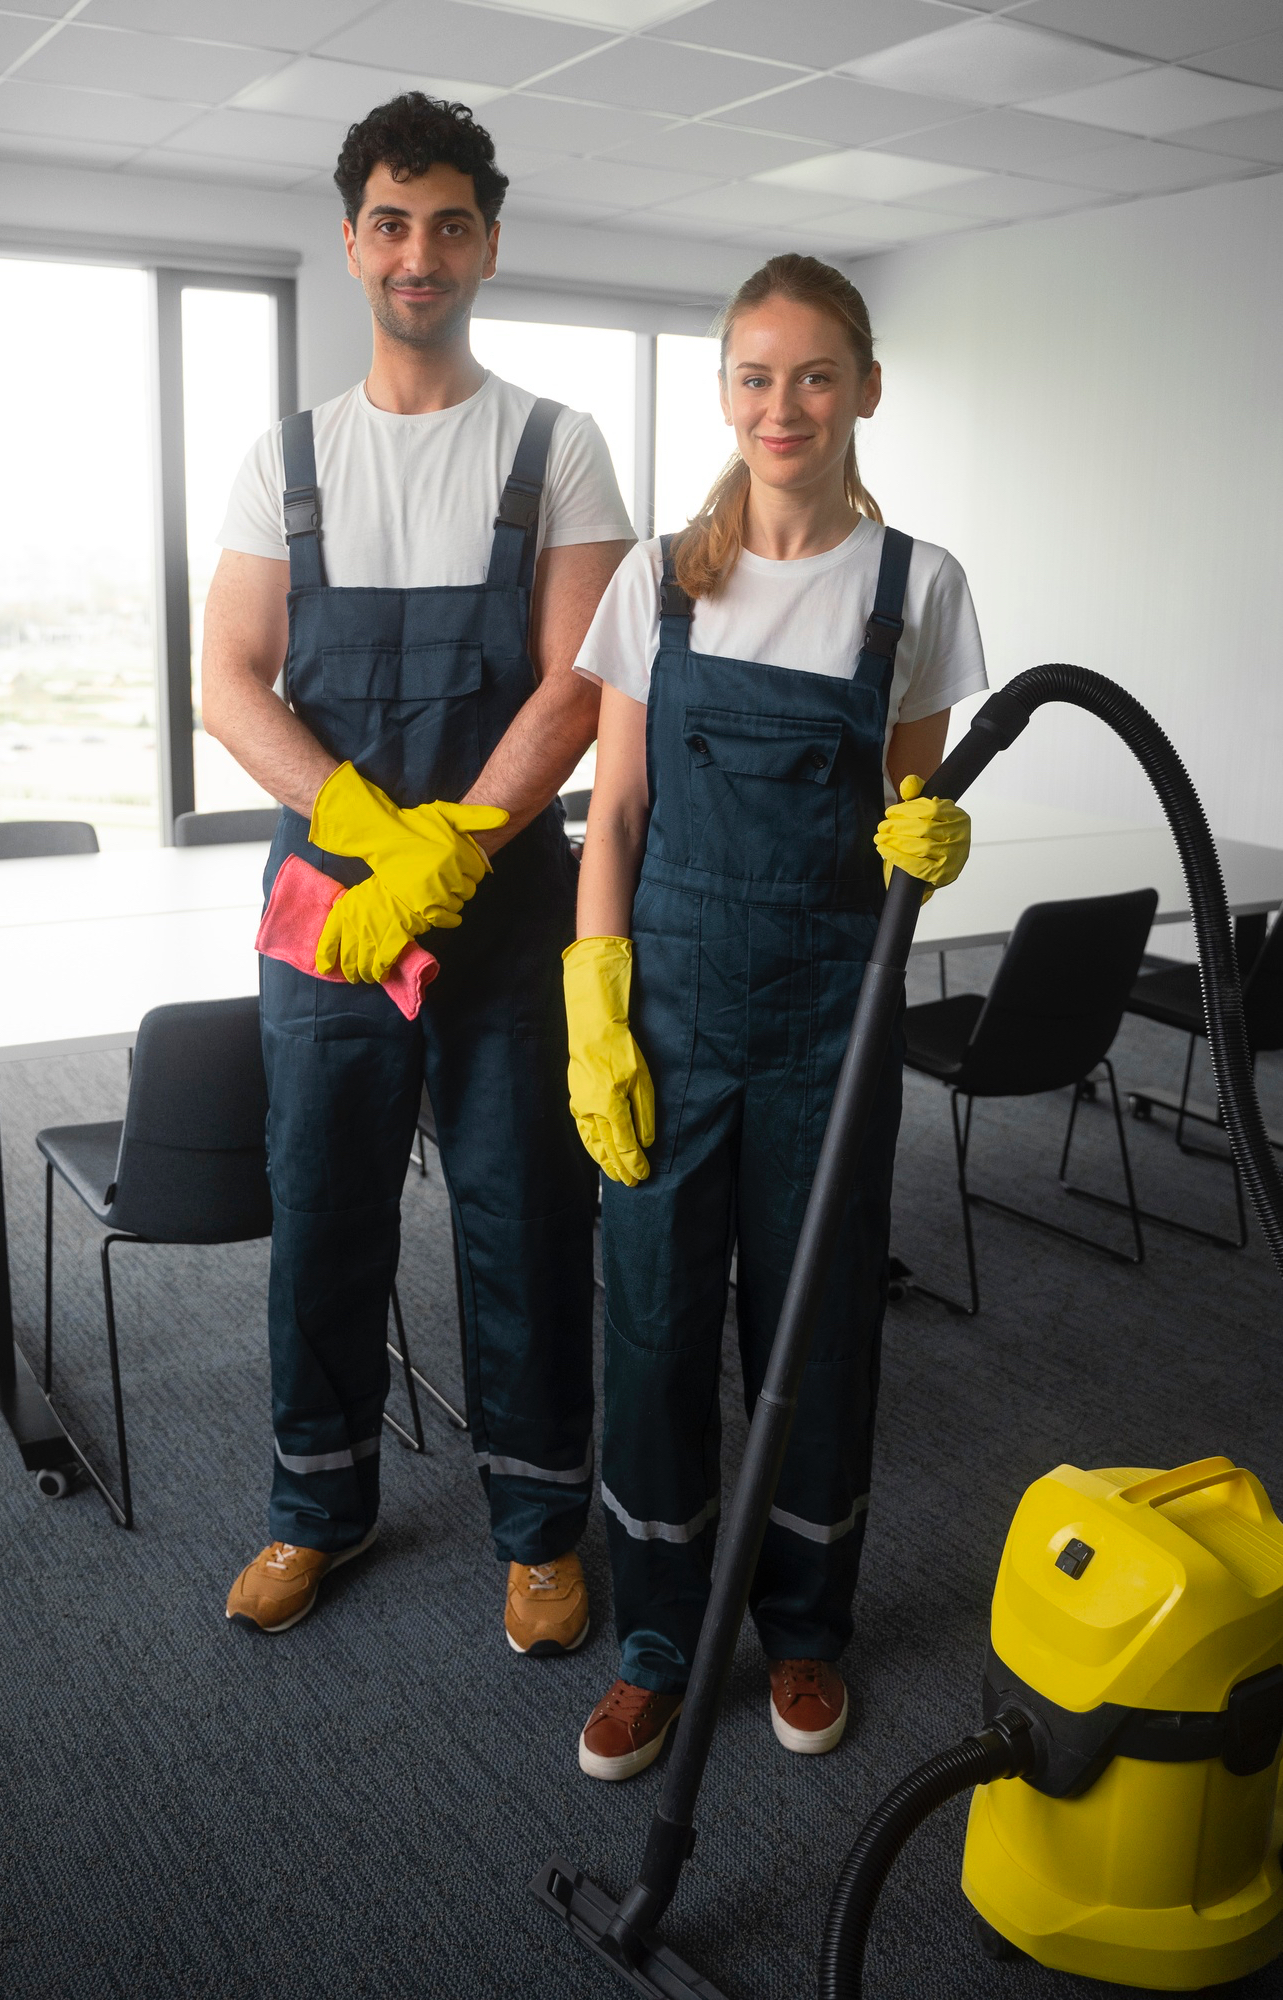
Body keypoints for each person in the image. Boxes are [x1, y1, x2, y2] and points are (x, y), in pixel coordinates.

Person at [201, 93, 633, 1645]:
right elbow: (231, 681)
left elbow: (574, 681)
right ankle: (314, 1507)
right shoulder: (285, 459)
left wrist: (454, 841)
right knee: (323, 1206)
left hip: (506, 907)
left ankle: (538, 1527)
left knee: (525, 1217)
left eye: (449, 221)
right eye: (391, 220)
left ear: (488, 244)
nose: (419, 250)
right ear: (351, 241)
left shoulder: (553, 446)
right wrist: (376, 835)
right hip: (330, 906)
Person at [563, 254, 987, 1779]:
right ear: (723, 393)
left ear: (864, 387)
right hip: (663, 1007)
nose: (782, 404)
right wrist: (591, 1004)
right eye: (754, 374)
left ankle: (807, 1629)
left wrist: (930, 844)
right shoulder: (657, 579)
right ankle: (660, 1643)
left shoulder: (913, 587)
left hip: (828, 1014)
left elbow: (904, 813)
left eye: (814, 373)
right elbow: (611, 815)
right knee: (657, 1322)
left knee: (808, 1329)